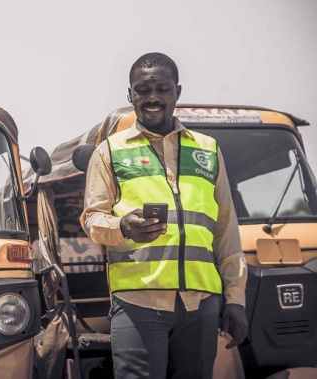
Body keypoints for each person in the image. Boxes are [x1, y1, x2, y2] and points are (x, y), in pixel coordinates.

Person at [80, 52, 248, 378]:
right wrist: (123, 226)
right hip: (137, 303)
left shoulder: (208, 150)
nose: (153, 98)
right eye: (143, 90)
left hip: (201, 304)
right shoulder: (109, 151)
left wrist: (235, 299)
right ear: (130, 95)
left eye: (162, 89)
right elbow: (92, 219)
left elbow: (226, 229)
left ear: (177, 92)